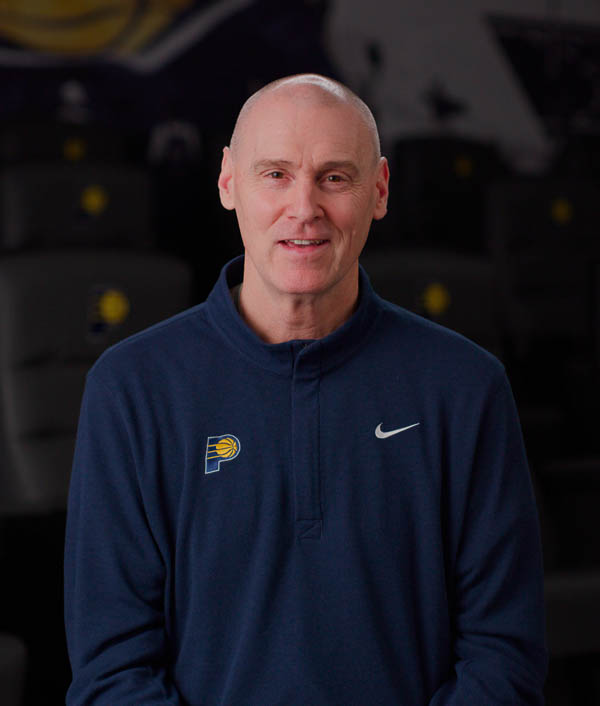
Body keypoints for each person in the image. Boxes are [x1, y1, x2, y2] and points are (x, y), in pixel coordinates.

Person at [64, 74, 547, 704]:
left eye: (334, 178)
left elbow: (504, 657)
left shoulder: (466, 387)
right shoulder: (131, 390)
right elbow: (111, 671)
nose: (304, 208)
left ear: (379, 190)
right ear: (227, 182)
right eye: (275, 175)